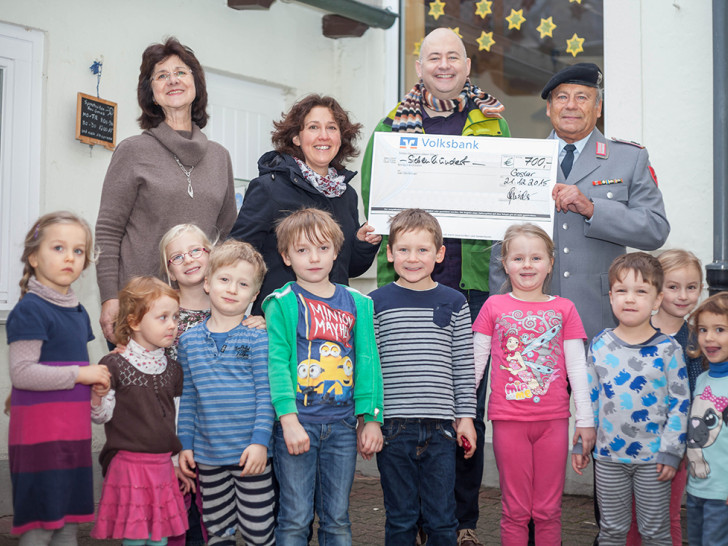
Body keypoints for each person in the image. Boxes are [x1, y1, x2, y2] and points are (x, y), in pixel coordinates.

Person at [360, 28, 510, 544]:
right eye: (433, 58)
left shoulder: (494, 125)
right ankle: (413, 521)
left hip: (469, 286)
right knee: (404, 403)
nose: (443, 65)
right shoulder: (388, 128)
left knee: (463, 403)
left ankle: (461, 521)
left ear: (468, 66)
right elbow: (374, 200)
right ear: (418, 67)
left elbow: (510, 196)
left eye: (453, 57)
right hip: (402, 293)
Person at [490, 63, 670, 342]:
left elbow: (655, 230)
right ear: (549, 108)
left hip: (600, 318)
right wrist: (499, 308)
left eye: (582, 97)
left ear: (598, 108)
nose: (571, 105)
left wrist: (593, 209)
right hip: (529, 315)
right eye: (562, 97)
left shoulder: (629, 158)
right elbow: (498, 246)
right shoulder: (520, 159)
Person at [96, 37, 237, 344]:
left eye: (181, 72)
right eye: (161, 75)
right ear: (152, 95)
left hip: (202, 314)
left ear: (196, 85)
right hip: (140, 309)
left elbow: (226, 237)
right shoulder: (133, 151)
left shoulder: (219, 157)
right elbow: (108, 232)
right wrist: (110, 297)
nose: (172, 80)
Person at [262, 208, 384, 545]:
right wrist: (287, 420)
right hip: (298, 425)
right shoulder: (282, 302)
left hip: (343, 427)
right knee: (295, 518)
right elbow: (277, 363)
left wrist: (371, 418)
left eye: (322, 248)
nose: (314, 258)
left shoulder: (358, 302)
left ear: (336, 250)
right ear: (286, 257)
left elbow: (368, 362)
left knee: (338, 519)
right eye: (302, 250)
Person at [471, 222, 594, 544]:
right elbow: (475, 368)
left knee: (548, 510)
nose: (527, 265)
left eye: (536, 258)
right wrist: (464, 415)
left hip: (554, 422)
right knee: (515, 510)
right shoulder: (493, 307)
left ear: (551, 263)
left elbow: (577, 368)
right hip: (508, 420)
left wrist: (586, 420)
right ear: (505, 263)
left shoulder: (565, 309)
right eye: (518, 258)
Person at [369, 208, 477, 546]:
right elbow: (370, 369)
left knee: (442, 519)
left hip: (442, 429)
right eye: (403, 249)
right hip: (393, 428)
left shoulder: (456, 302)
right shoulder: (375, 303)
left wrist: (466, 418)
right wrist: (367, 420)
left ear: (439, 254)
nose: (412, 258)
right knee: (400, 519)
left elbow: (463, 366)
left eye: (422, 250)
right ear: (389, 253)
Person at [6, 211, 111, 543]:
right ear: (34, 257)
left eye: (78, 251)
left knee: (69, 521)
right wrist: (81, 374)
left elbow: (77, 377)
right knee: (40, 525)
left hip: (73, 437)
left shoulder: (78, 311)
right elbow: (22, 373)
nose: (70, 257)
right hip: (40, 440)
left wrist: (95, 391)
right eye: (58, 248)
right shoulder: (30, 310)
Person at [230, 94, 380, 316]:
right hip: (283, 323)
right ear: (296, 138)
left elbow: (347, 268)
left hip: (333, 321)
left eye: (331, 128)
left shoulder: (346, 194)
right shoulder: (269, 188)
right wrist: (261, 315)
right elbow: (238, 256)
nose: (323, 136)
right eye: (313, 127)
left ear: (341, 137)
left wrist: (362, 243)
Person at [177, 240, 275, 546]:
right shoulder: (189, 342)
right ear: (207, 283)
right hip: (207, 458)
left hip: (251, 457)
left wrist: (260, 443)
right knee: (217, 532)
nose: (232, 289)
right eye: (224, 279)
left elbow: (265, 397)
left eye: (243, 284)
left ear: (255, 294)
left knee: (259, 531)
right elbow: (189, 398)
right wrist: (185, 445)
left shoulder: (259, 339)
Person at [588, 252, 689, 545]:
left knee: (655, 533)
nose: (629, 299)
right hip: (608, 458)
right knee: (611, 532)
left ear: (657, 300)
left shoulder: (669, 350)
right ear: (610, 297)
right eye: (622, 291)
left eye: (641, 291)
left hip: (654, 459)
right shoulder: (599, 345)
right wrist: (584, 440)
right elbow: (591, 398)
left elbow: (680, 404)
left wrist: (671, 451)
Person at [91, 276, 188, 544]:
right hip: (129, 467)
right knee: (135, 538)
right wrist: (96, 398)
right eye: (163, 317)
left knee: (160, 539)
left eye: (176, 317)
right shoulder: (113, 364)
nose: (173, 325)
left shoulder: (173, 370)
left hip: (162, 468)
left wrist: (176, 461)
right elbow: (100, 417)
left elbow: (176, 420)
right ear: (134, 322)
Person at [626, 249, 704, 546]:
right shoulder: (634, 331)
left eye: (692, 287)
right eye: (673, 287)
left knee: (668, 516)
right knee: (631, 517)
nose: (683, 296)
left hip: (674, 447)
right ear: (656, 290)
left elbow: (698, 397)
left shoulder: (696, 339)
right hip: (632, 444)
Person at [684, 292, 728, 546]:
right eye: (703, 329)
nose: (709, 337)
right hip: (697, 489)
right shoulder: (702, 379)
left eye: (720, 329)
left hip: (722, 495)